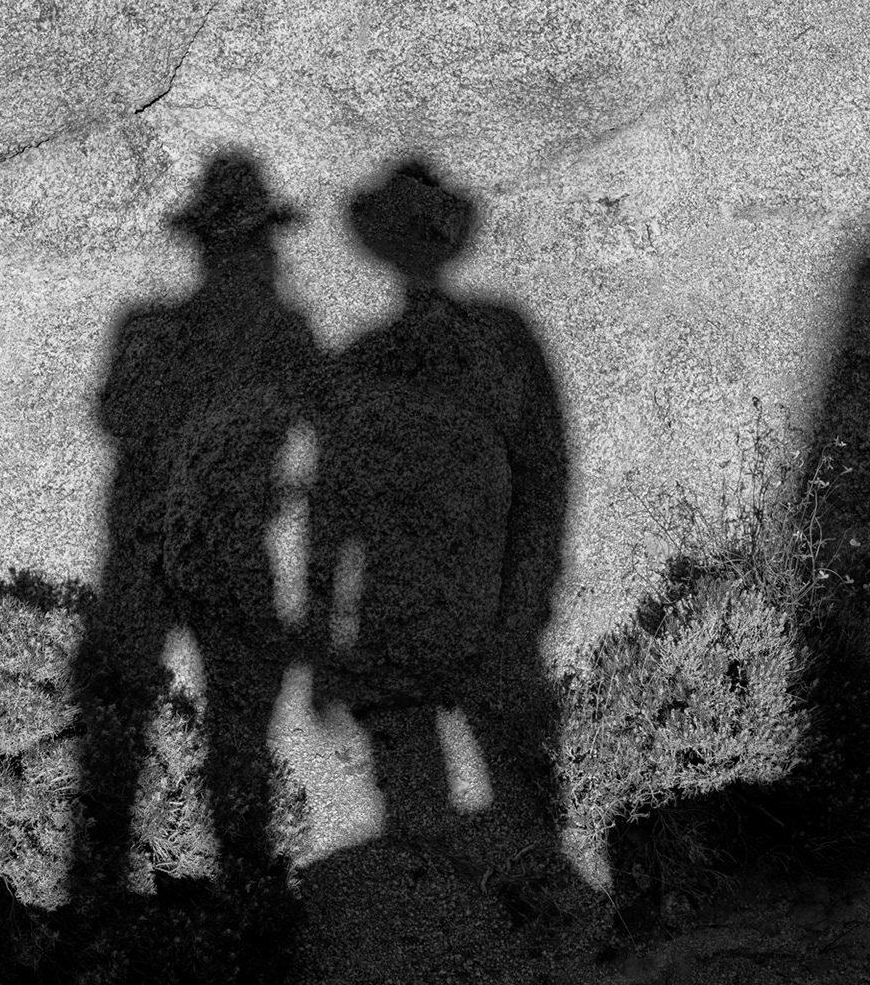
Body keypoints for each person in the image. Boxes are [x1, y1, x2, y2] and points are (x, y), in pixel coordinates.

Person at [75, 150, 322, 895]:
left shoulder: (165, 326)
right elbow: (113, 414)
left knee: (221, 709)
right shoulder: (252, 329)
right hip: (184, 535)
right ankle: (205, 885)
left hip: (195, 534)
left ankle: (218, 885)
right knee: (187, 706)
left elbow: (111, 414)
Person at [307, 157, 570, 849]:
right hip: (436, 591)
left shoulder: (389, 352)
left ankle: (513, 870)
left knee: (447, 767)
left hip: (441, 591)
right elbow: (541, 471)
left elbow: (330, 504)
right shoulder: (485, 336)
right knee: (436, 770)